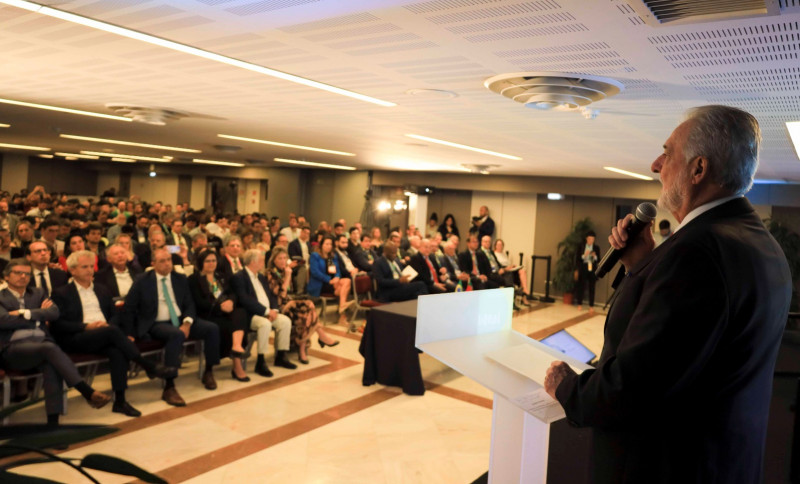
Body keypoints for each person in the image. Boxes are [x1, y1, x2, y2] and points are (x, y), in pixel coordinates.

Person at [544, 105, 792, 484]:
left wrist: (566, 386)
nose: (656, 165)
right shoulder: (761, 242)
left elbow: (631, 387)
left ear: (698, 169)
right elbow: (682, 355)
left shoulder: (697, 252)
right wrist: (643, 265)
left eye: (668, 152)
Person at [51, 251, 177, 417]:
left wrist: (108, 325)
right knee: (112, 333)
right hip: (78, 337)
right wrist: (86, 327)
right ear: (72, 270)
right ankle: (147, 365)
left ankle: (120, 401)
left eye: (91, 266)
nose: (89, 270)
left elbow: (115, 315)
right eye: (84, 267)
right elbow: (58, 324)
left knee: (117, 351)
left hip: (105, 334)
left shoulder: (102, 289)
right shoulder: (61, 293)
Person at [0, 259, 111, 424]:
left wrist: (25, 313)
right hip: (13, 349)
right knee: (49, 348)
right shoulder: (1, 297)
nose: (23, 276)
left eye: (27, 274)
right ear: (6, 276)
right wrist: (38, 317)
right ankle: (86, 391)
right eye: (18, 273)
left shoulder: (38, 293)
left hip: (41, 345)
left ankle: (53, 423)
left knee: (51, 366)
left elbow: (53, 313)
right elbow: (3, 321)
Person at [121, 248, 221, 407]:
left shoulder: (179, 278)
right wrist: (129, 332)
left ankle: (208, 371)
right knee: (176, 335)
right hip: (157, 323)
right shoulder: (142, 280)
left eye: (169, 260)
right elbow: (129, 308)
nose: (167, 264)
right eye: (162, 261)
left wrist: (187, 323)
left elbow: (189, 304)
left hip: (181, 320)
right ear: (153, 263)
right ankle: (169, 385)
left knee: (212, 328)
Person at [231, 249, 297, 377]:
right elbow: (244, 300)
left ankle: (281, 356)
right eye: (261, 260)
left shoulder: (260, 276)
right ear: (252, 262)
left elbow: (271, 295)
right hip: (251, 314)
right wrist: (266, 311)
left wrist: (274, 310)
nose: (263, 262)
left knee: (285, 321)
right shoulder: (239, 277)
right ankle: (261, 361)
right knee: (265, 324)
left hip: (268, 311)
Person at [266, 247, 338, 364]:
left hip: (289, 304)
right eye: (280, 258)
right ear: (274, 260)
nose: (283, 261)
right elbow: (281, 295)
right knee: (309, 305)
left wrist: (287, 275)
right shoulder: (270, 273)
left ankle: (303, 349)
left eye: (285, 258)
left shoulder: (285, 271)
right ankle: (320, 336)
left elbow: (289, 292)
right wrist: (288, 276)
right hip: (278, 306)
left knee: (306, 315)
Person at [188, 250, 250, 382]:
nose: (211, 263)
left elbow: (232, 293)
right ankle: (233, 365)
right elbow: (198, 302)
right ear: (201, 263)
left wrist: (231, 301)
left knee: (241, 312)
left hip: (226, 311)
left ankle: (236, 347)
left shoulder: (220, 276)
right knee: (230, 327)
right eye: (208, 261)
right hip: (209, 314)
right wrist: (219, 307)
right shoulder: (194, 279)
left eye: (214, 261)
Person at [308, 236, 353, 323]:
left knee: (347, 281)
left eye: (330, 244)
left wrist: (337, 277)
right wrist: (329, 280)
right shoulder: (315, 256)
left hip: (333, 283)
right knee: (343, 289)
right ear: (321, 245)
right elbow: (315, 272)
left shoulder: (332, 256)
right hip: (321, 284)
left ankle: (342, 308)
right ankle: (342, 313)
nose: (329, 246)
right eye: (327, 244)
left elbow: (337, 270)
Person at [492, 238, 532, 303]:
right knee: (512, 276)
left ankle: (525, 289)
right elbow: (498, 266)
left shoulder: (504, 254)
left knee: (522, 271)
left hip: (509, 269)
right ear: (495, 246)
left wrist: (512, 266)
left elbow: (508, 263)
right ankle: (522, 296)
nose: (500, 246)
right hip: (503, 271)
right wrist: (507, 268)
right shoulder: (494, 254)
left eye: (501, 245)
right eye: (498, 245)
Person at [574, 230, 600, 313]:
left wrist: (594, 256)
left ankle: (591, 306)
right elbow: (577, 258)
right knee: (581, 286)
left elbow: (598, 259)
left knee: (592, 287)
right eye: (589, 239)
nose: (591, 241)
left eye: (592, 239)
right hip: (583, 267)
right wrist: (584, 255)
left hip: (592, 268)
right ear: (586, 239)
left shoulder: (596, 248)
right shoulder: (581, 247)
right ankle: (579, 304)